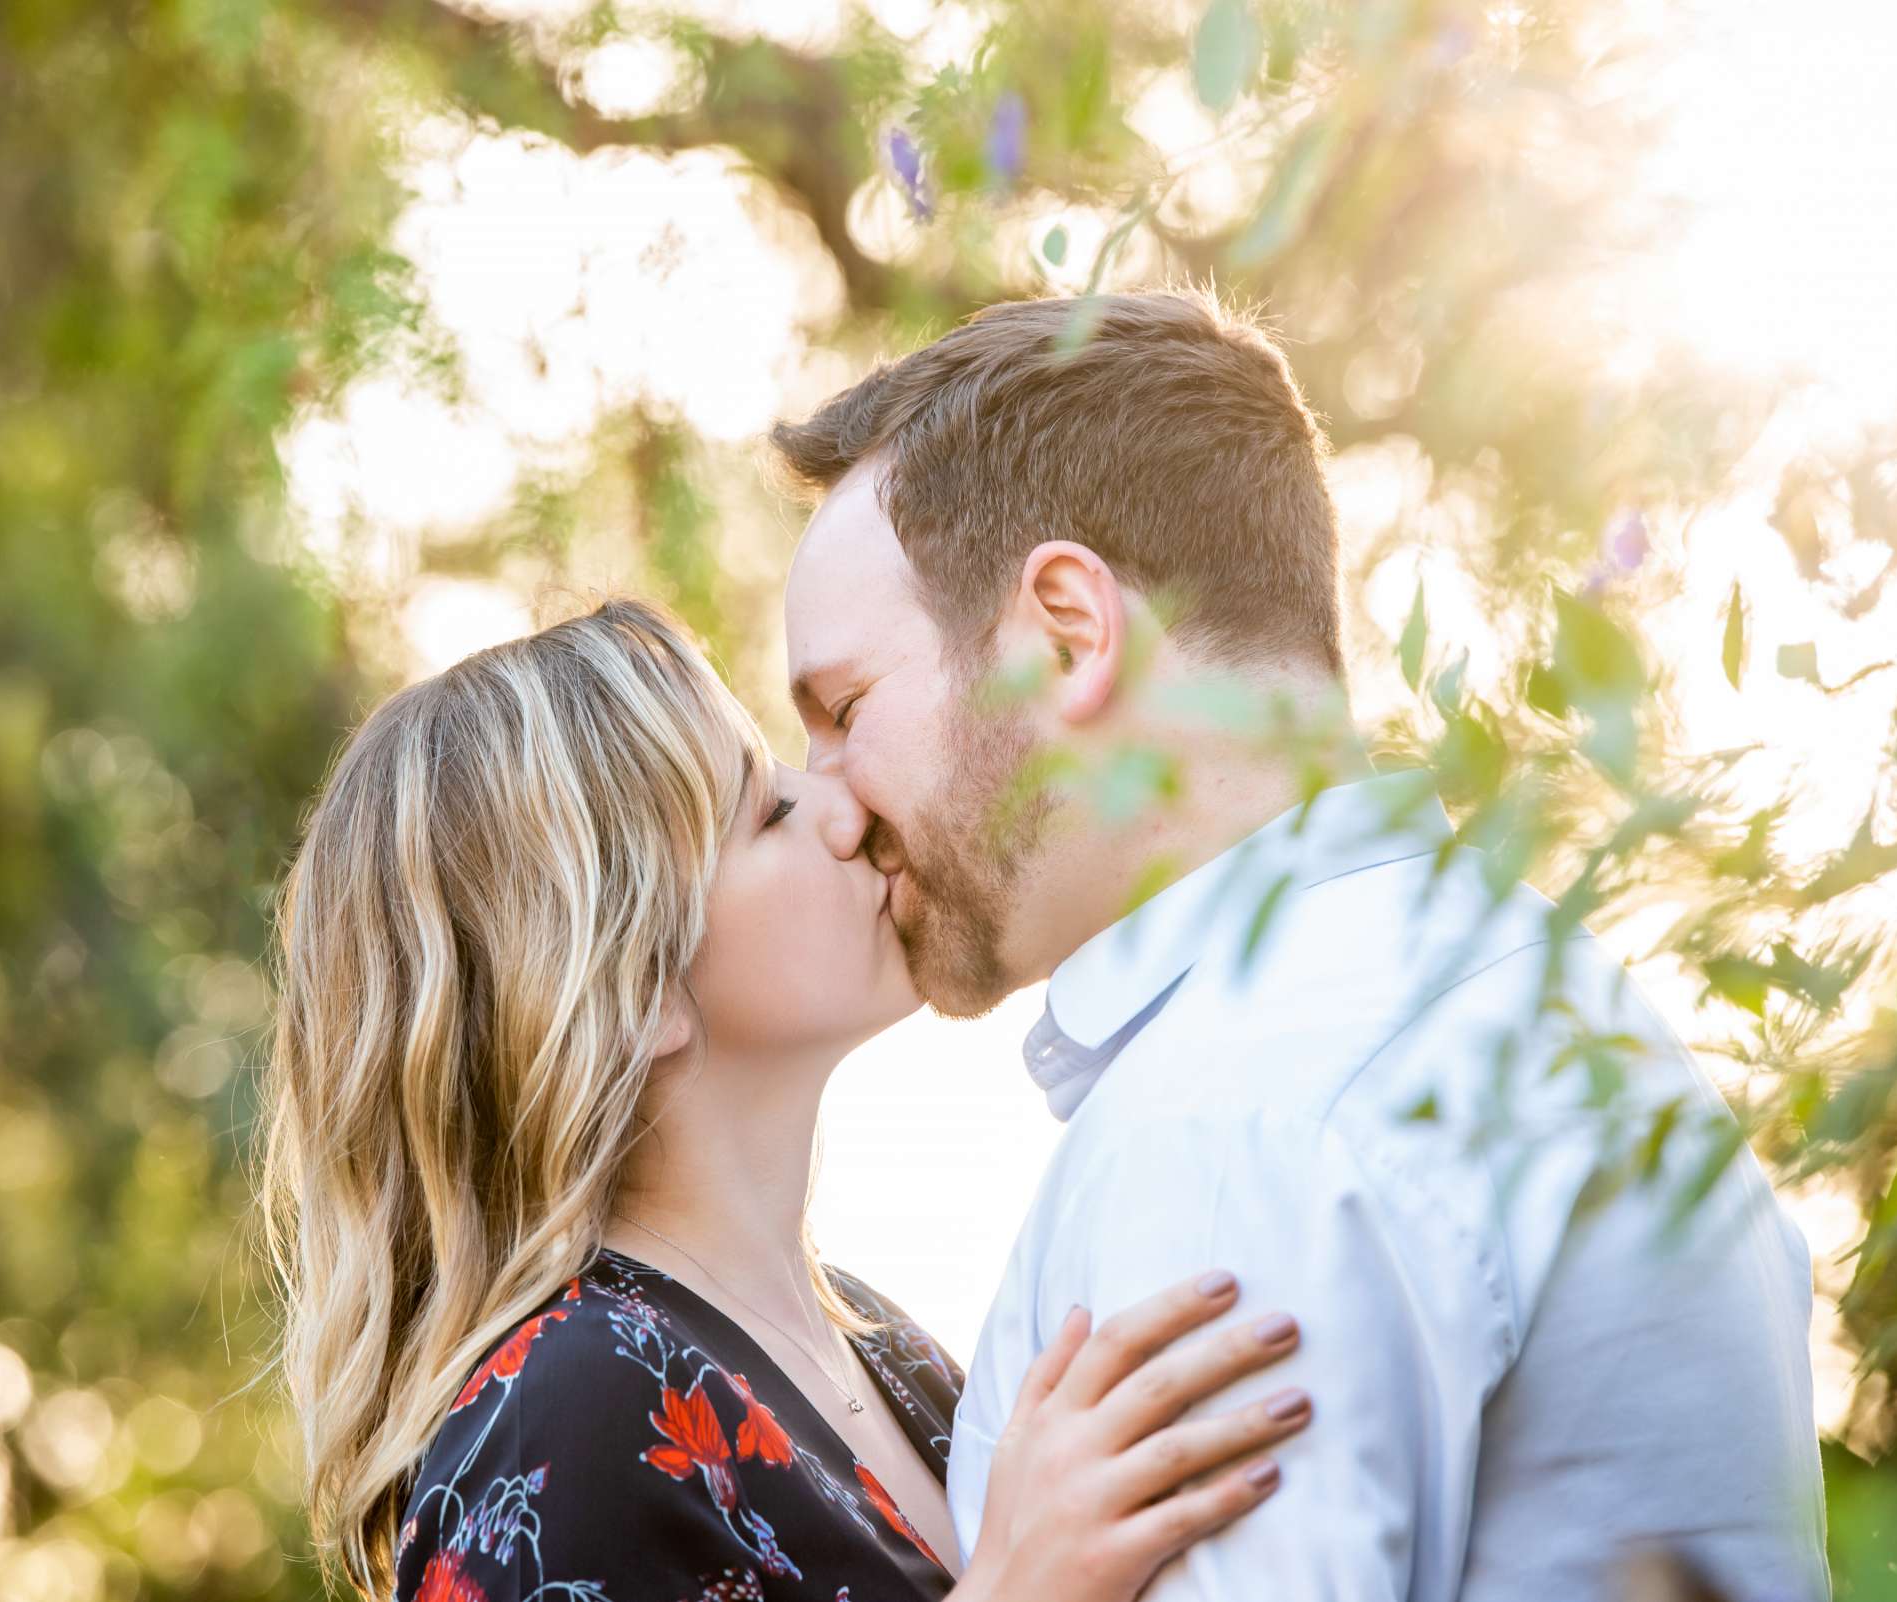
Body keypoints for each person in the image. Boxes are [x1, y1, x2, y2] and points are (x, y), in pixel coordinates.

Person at [771, 290, 1831, 1602]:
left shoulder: (1238, 1124)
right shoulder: (1544, 994)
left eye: (844, 707)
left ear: (1065, 633)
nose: (823, 795)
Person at [256, 599, 1317, 1602]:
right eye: (764, 810)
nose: (846, 808)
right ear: (631, 992)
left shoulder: (884, 1345)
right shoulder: (565, 1418)